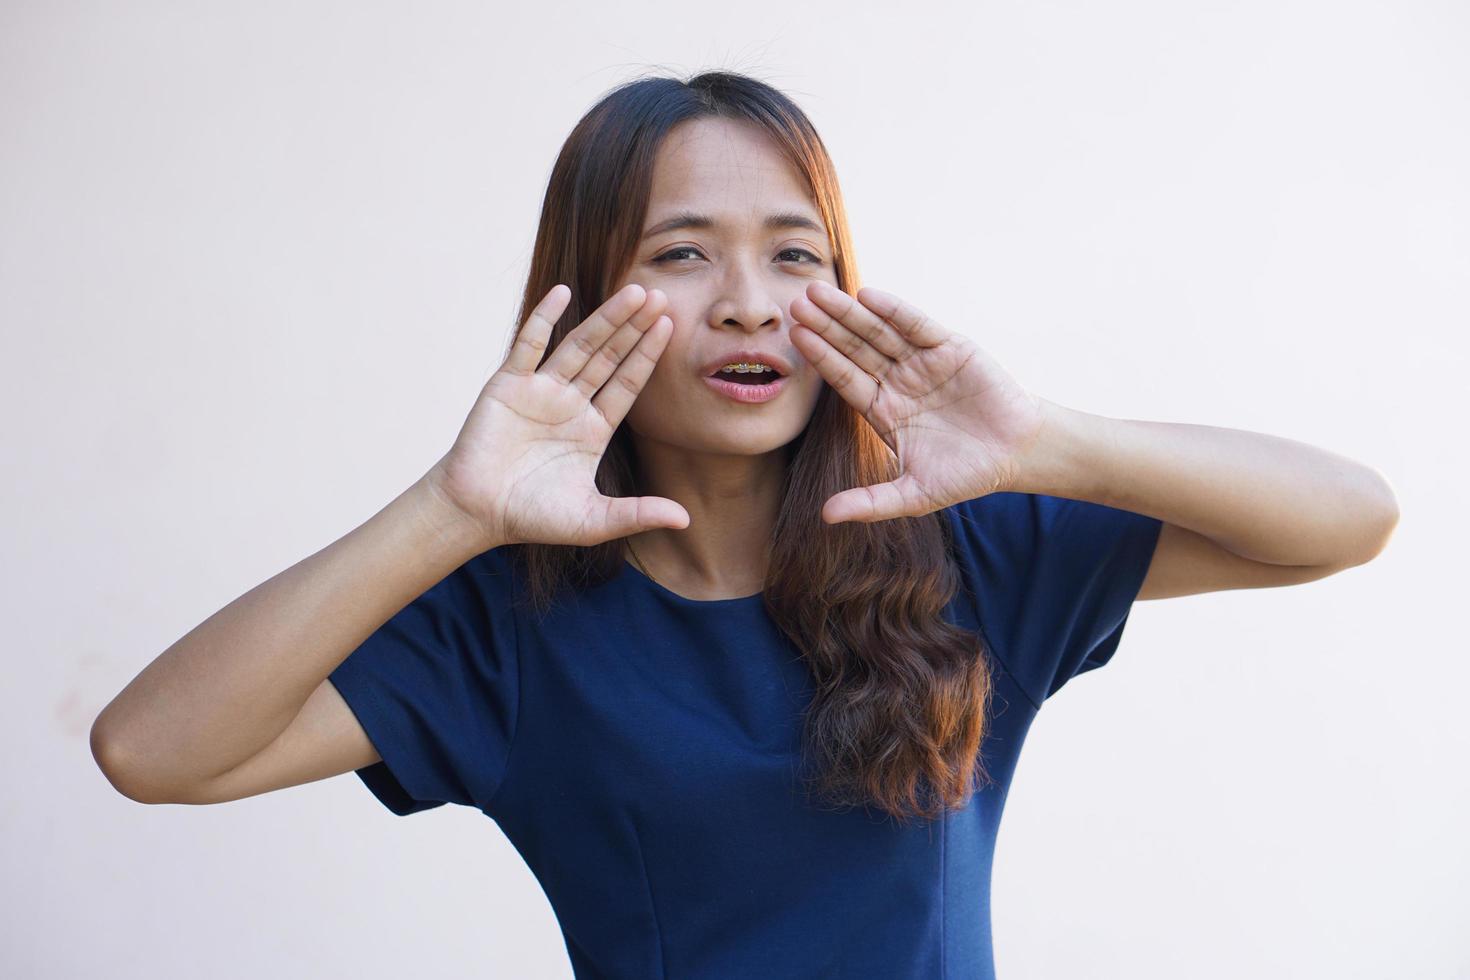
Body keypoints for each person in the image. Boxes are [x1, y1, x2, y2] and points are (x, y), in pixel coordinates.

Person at [90, 70, 1398, 979]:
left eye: (792, 253)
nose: (746, 303)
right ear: (589, 289)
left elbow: (1344, 519)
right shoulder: (507, 631)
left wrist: (1049, 442)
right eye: (679, 253)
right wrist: (447, 512)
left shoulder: (965, 549)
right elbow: (152, 751)